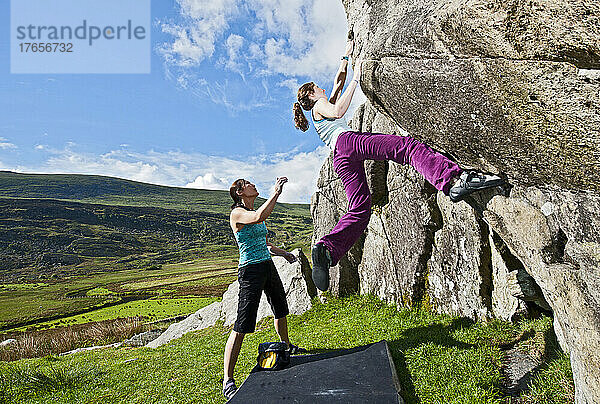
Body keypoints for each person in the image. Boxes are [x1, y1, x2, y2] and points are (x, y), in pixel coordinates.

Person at [293, 38, 504, 292]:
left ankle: (326, 250)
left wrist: (346, 56)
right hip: (348, 143)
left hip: (341, 159)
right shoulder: (320, 106)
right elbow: (338, 110)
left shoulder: (318, 108)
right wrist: (357, 79)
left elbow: (337, 81)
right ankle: (453, 180)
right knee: (407, 147)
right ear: (311, 95)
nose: (322, 89)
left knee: (360, 208)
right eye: (318, 87)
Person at [222, 177, 306, 401]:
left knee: (280, 308)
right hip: (250, 271)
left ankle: (286, 346)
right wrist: (276, 192)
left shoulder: (252, 212)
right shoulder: (237, 214)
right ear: (240, 192)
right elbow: (259, 216)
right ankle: (228, 380)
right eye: (248, 183)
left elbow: (264, 244)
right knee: (242, 324)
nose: (253, 185)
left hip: (266, 266)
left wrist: (284, 253)